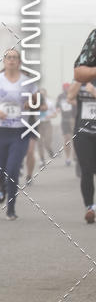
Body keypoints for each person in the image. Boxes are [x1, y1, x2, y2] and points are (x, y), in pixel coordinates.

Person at [0, 49, 39, 220]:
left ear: (19, 62)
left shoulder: (28, 81)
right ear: (4, 61)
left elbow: (36, 99)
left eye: (15, 58)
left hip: (19, 132)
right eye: (8, 57)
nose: (12, 60)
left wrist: (30, 102)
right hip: (0, 132)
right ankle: (2, 187)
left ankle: (11, 208)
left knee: (13, 169)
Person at [67, 80, 96, 222]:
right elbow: (70, 97)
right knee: (86, 170)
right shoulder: (82, 79)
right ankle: (90, 207)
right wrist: (79, 80)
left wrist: (94, 92)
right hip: (83, 133)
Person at [55, 83, 76, 167]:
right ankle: (68, 158)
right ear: (63, 89)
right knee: (67, 139)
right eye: (65, 88)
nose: (67, 89)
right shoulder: (60, 96)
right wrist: (57, 110)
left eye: (68, 88)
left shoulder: (74, 95)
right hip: (64, 120)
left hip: (73, 119)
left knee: (75, 139)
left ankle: (75, 155)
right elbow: (57, 106)